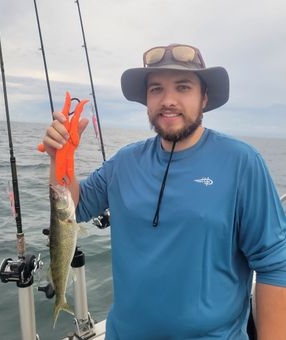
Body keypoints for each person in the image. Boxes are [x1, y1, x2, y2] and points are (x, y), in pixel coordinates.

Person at [42, 44, 286, 339]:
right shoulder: (123, 162)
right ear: (146, 99)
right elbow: (73, 208)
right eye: (156, 89)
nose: (168, 100)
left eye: (183, 87)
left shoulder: (242, 162)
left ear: (204, 97)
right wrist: (60, 158)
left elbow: (275, 264)